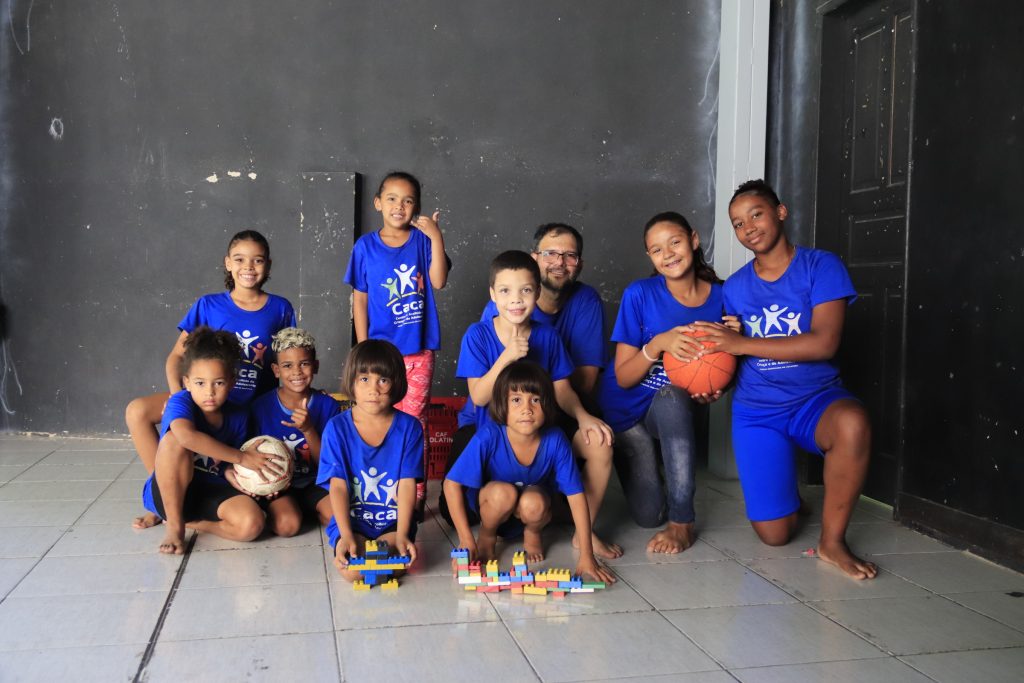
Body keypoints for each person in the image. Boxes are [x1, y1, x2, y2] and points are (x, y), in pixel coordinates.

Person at [693, 179, 878, 580]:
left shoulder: (821, 266)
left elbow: (824, 343)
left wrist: (742, 343)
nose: (748, 228)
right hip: (758, 411)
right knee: (775, 537)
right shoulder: (735, 287)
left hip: (815, 400)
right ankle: (787, 493)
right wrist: (712, 385)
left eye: (756, 214)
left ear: (780, 212)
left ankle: (832, 542)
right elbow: (730, 354)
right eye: (738, 224)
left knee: (853, 423)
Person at [442, 250, 621, 559]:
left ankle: (583, 534)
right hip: (496, 443)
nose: (516, 299)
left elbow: (562, 390)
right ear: (492, 295)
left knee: (599, 441)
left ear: (537, 293)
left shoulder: (547, 336)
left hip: (537, 437)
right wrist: (507, 356)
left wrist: (583, 417)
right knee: (484, 500)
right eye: (505, 291)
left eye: (525, 290)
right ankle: (497, 526)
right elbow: (480, 397)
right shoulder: (478, 335)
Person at [127, 230, 296, 530]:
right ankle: (164, 500)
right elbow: (176, 357)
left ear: (268, 265)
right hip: (205, 395)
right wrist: (180, 396)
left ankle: (191, 507)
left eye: (257, 260)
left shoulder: (280, 308)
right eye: (240, 259)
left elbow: (288, 359)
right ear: (228, 263)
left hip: (247, 406)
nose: (248, 267)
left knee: (259, 502)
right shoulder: (208, 305)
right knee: (137, 411)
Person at [598, 211, 732, 554]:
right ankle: (653, 466)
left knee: (671, 397)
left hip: (670, 407)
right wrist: (658, 343)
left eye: (675, 242)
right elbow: (624, 377)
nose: (668, 254)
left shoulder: (723, 298)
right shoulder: (640, 294)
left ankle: (682, 522)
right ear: (649, 257)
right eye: (657, 250)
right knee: (648, 516)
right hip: (624, 413)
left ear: (694, 240)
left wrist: (713, 389)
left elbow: (723, 366)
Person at [442, 361, 616, 584]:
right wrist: (466, 539)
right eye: (516, 400)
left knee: (534, 501)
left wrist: (586, 555)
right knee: (502, 493)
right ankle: (487, 535)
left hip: (533, 508)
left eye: (535, 400)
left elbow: (576, 496)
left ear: (547, 404)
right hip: (494, 505)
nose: (527, 409)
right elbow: (451, 484)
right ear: (502, 405)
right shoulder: (489, 436)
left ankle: (533, 533)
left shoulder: (555, 439)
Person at [343, 171, 450, 514]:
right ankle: (383, 490)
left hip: (418, 351)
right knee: (379, 418)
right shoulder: (365, 247)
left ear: (416, 207)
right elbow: (360, 300)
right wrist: (363, 347)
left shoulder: (422, 241)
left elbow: (439, 281)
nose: (399, 206)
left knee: (414, 421)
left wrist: (436, 236)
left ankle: (414, 495)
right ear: (378, 203)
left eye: (408, 201)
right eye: (391, 198)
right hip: (380, 354)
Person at [142, 327, 281, 554]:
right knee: (174, 440)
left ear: (232, 382)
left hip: (212, 489)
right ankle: (175, 526)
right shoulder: (180, 402)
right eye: (200, 383)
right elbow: (186, 437)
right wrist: (242, 457)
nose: (209, 392)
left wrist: (249, 479)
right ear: (187, 382)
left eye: (218, 383)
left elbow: (228, 464)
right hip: (175, 493)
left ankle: (194, 523)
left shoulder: (239, 416)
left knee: (253, 524)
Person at [317, 340, 421, 582]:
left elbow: (407, 484)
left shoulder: (410, 427)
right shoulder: (336, 428)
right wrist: (346, 536)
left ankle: (393, 545)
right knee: (354, 571)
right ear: (351, 381)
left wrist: (403, 534)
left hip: (393, 522)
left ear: (396, 383)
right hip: (352, 522)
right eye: (364, 379)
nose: (374, 389)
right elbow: (338, 487)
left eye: (383, 380)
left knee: (395, 564)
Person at [480, 223, 606, 401]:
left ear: (580, 265)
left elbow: (585, 385)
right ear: (534, 259)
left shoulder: (586, 300)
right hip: (502, 409)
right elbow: (488, 388)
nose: (560, 262)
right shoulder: (505, 307)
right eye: (550, 254)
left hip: (552, 409)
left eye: (570, 256)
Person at [245, 327, 341, 535]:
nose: (297, 372)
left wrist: (308, 430)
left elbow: (327, 464)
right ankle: (289, 511)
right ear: (276, 370)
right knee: (287, 526)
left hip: (316, 481)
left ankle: (310, 509)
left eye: (304, 363)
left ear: (315, 366)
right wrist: (262, 485)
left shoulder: (328, 406)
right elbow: (250, 454)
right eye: (287, 365)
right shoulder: (260, 407)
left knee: (338, 518)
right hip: (280, 485)